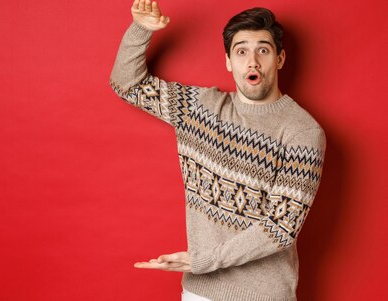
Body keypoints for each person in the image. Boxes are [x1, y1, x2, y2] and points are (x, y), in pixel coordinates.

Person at [109, 1, 326, 300]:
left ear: (279, 58)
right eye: (241, 51)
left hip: (263, 296)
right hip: (199, 293)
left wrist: (203, 262)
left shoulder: (303, 131)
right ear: (228, 61)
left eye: (263, 50)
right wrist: (141, 29)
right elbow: (126, 84)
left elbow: (281, 227)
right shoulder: (199, 109)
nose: (252, 61)